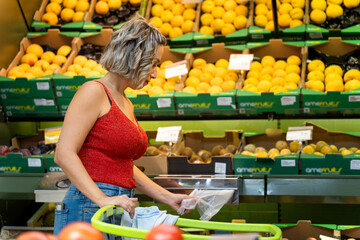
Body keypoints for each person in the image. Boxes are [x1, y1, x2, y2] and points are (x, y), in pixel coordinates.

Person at [53, 15, 192, 235]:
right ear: (134, 56)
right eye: (153, 64)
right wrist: (101, 199)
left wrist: (167, 197)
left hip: (118, 204)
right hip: (90, 207)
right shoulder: (94, 91)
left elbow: (123, 166)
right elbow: (64, 153)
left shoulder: (125, 101)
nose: (155, 73)